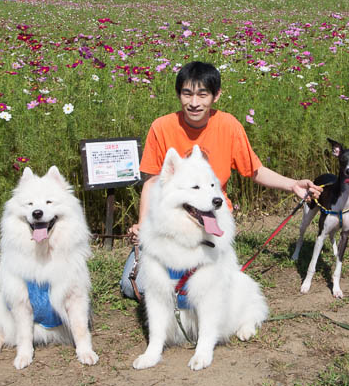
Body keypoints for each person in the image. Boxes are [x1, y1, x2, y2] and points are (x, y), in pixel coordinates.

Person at [122, 62, 320, 295]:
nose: (194, 103)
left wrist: (292, 184)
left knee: (205, 286)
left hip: (213, 220)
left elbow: (254, 170)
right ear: (178, 94)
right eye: (187, 94)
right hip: (172, 221)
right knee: (132, 285)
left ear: (216, 96)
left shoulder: (229, 125)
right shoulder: (161, 127)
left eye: (202, 94)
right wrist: (143, 224)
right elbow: (153, 181)